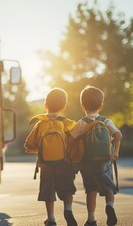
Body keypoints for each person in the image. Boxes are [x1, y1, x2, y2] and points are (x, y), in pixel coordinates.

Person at [68, 85, 122, 226]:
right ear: (101, 106)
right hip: (105, 160)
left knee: (91, 189)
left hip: (87, 162)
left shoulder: (82, 123)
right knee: (109, 186)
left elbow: (70, 140)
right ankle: (110, 205)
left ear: (82, 105)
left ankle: (91, 219)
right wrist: (115, 151)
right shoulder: (106, 121)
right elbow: (118, 135)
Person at [24, 88, 78, 226]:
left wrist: (43, 150)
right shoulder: (67, 123)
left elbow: (28, 147)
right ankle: (68, 209)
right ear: (63, 106)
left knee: (48, 191)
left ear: (46, 105)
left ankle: (52, 219)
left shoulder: (40, 123)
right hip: (64, 163)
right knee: (67, 188)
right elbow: (77, 139)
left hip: (46, 164)